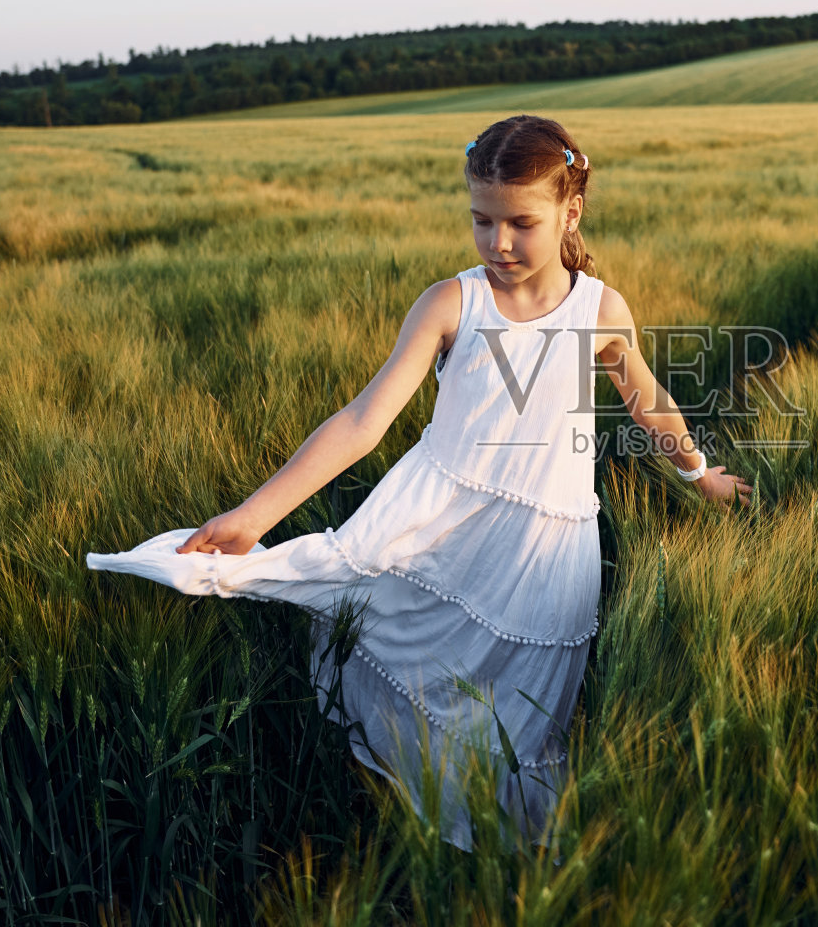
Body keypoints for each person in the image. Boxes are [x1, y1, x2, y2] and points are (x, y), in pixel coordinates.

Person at [86, 113, 752, 852]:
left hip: (545, 543)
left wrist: (699, 472)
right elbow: (362, 420)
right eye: (481, 220)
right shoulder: (450, 303)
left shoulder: (600, 309)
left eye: (520, 224)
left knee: (526, 714)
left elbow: (647, 401)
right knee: (400, 644)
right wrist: (254, 513)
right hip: (439, 516)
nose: (498, 243)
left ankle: (523, 860)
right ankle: (423, 823)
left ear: (572, 211)